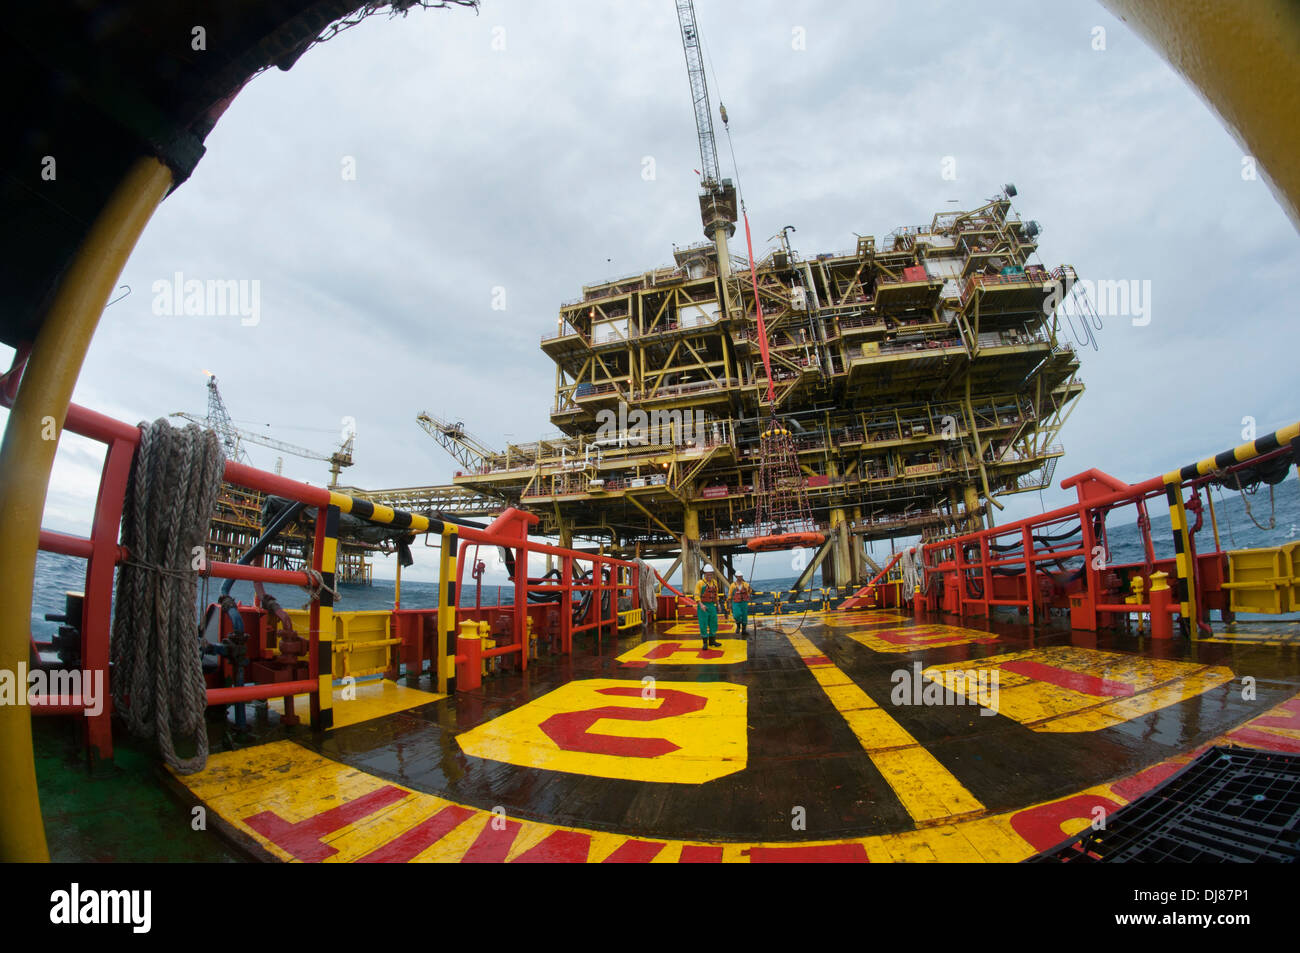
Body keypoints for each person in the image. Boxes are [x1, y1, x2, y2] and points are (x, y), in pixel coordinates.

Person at [693, 564, 723, 649]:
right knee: (703, 624)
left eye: (711, 574)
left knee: (714, 623)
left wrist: (718, 605)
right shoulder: (700, 583)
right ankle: (705, 643)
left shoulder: (714, 583)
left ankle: (712, 641)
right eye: (708, 574)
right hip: (703, 606)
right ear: (704, 574)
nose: (709, 576)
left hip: (712, 605)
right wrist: (701, 605)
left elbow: (716, 595)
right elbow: (696, 595)